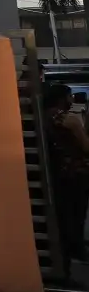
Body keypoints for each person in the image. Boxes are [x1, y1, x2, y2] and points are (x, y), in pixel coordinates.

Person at [45, 82, 89, 264]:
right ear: (62, 99)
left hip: (58, 173)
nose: (72, 100)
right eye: (70, 96)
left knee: (65, 215)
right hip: (74, 174)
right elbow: (86, 147)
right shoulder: (69, 120)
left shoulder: (45, 116)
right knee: (76, 214)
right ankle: (75, 248)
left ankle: (70, 248)